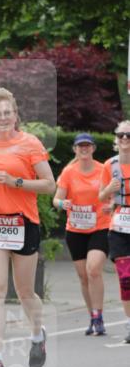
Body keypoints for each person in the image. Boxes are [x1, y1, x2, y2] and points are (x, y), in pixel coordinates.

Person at [0, 87, 56, 367]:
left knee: (24, 292)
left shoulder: (29, 143)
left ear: (16, 115)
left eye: (8, 112)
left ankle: (37, 335)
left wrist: (15, 181)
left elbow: (49, 185)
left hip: (23, 223)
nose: (4, 118)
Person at [53, 133, 110, 336]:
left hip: (100, 226)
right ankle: (92, 317)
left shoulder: (104, 170)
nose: (84, 149)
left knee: (93, 270)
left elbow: (115, 194)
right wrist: (63, 203)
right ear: (75, 150)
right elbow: (56, 200)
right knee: (84, 277)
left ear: (93, 148)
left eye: (87, 145)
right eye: (80, 146)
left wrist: (112, 205)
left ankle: (99, 316)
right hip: (76, 230)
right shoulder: (68, 172)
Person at [99, 119, 130, 344]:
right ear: (116, 139)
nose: (125, 139)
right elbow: (100, 196)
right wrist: (109, 189)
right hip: (119, 226)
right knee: (126, 279)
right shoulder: (109, 165)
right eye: (121, 135)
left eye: (129, 135)